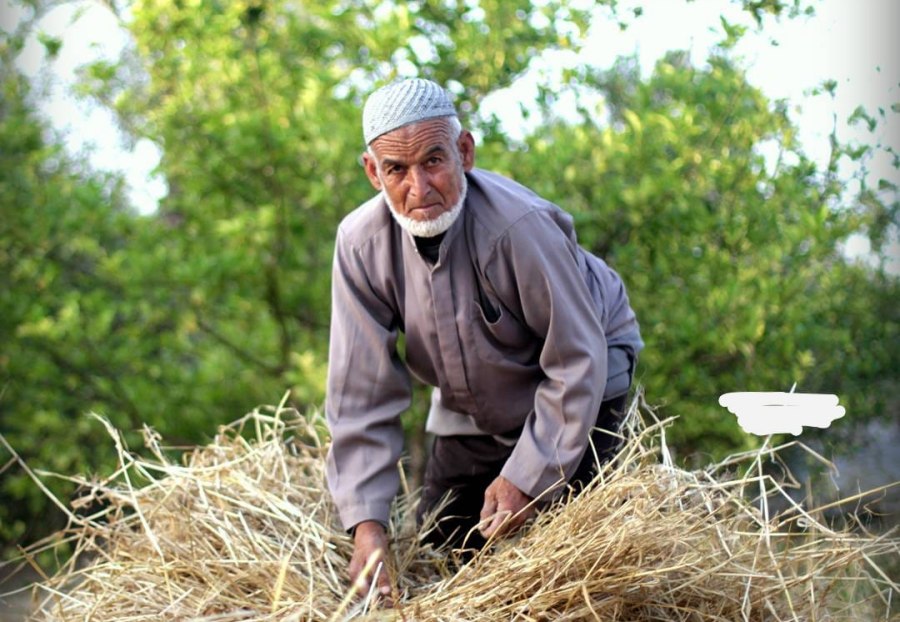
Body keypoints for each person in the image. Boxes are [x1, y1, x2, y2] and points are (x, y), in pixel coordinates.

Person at [325, 78, 643, 598]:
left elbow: (575, 359)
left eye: (433, 161)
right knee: (443, 546)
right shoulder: (360, 246)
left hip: (585, 369)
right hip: (469, 393)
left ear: (464, 152)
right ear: (371, 173)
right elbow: (361, 392)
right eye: (396, 170)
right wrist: (366, 525)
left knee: (573, 560)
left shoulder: (520, 227)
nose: (419, 190)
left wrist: (526, 476)